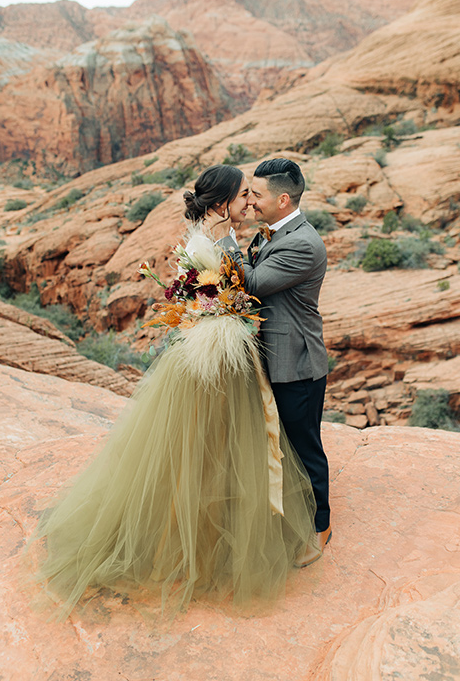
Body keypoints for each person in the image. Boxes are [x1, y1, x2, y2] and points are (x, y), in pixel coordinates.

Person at [28, 164, 316, 619]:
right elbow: (215, 295)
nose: (250, 202)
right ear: (222, 203)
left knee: (215, 444)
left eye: (253, 195)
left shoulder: (219, 235)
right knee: (207, 443)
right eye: (243, 195)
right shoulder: (210, 241)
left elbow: (216, 292)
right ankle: (187, 537)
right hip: (214, 359)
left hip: (223, 353)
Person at [243, 158, 331, 568]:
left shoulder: (302, 243)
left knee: (304, 446)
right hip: (272, 356)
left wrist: (223, 240)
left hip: (297, 364)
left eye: (257, 194)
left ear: (282, 199)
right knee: (280, 445)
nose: (250, 201)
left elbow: (256, 283)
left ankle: (320, 528)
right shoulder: (274, 232)